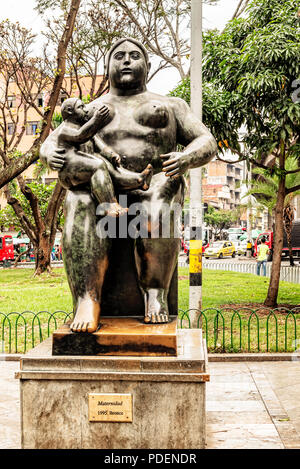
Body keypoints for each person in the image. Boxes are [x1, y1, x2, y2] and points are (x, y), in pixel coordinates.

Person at [40, 37, 217, 332]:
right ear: (107, 65)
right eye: (118, 55)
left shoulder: (171, 105)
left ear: (147, 66)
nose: (125, 60)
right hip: (104, 186)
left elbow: (206, 140)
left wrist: (186, 158)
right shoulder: (91, 109)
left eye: (134, 55)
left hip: (156, 181)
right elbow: (52, 142)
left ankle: (155, 293)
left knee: (158, 199)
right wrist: (50, 155)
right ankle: (87, 298)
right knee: (79, 200)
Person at [50, 97, 153, 217]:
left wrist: (111, 155)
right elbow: (80, 136)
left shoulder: (87, 128)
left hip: (85, 163)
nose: (85, 110)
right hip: (69, 171)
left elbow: (100, 146)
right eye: (81, 107)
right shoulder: (65, 129)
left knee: (108, 165)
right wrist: (96, 119)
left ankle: (139, 180)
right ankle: (109, 205)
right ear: (69, 111)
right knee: (98, 165)